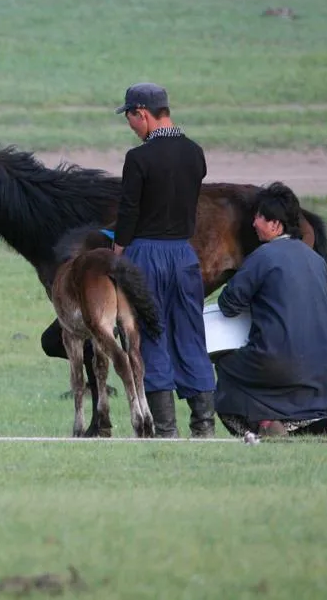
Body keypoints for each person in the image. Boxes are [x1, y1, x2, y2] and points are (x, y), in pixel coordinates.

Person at [214, 182, 327, 438]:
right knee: (304, 414)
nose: (254, 223)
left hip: (277, 363)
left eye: (259, 217)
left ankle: (263, 425)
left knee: (227, 370)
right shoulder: (316, 260)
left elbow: (228, 304)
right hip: (325, 370)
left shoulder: (263, 256)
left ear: (275, 225)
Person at [112, 82, 214, 438]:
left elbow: (129, 211)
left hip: (145, 255)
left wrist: (119, 251)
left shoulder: (138, 159)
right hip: (184, 255)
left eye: (129, 118)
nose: (130, 126)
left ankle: (167, 430)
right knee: (191, 335)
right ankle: (204, 425)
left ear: (141, 113)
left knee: (150, 337)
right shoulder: (195, 153)